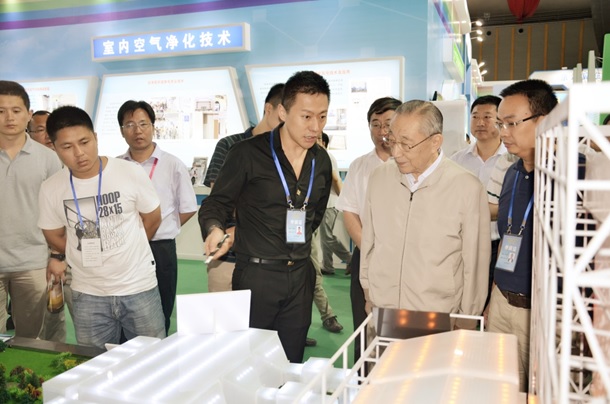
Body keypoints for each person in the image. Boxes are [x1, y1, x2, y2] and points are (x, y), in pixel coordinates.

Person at [199, 71, 332, 363]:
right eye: (306, 117)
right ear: (283, 112)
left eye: (322, 117)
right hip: (257, 277)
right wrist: (214, 228)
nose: (315, 127)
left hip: (301, 276)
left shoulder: (320, 160)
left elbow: (315, 215)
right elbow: (216, 203)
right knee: (251, 363)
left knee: (291, 361)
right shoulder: (246, 153)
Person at [38, 105, 165, 349]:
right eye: (67, 147)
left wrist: (129, 248)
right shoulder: (51, 188)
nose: (79, 153)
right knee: (94, 361)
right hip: (88, 292)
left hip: (138, 286)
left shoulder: (129, 172)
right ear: (54, 147)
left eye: (84, 142)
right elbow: (53, 234)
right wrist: (81, 252)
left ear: (95, 137)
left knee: (151, 356)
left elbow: (152, 218)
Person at [360, 100, 490, 327]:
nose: (396, 152)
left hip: (436, 312)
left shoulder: (466, 187)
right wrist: (369, 292)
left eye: (406, 144)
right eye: (392, 141)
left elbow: (475, 261)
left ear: (435, 142)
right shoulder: (379, 178)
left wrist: (467, 319)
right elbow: (369, 242)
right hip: (383, 308)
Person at [488, 79, 558, 392]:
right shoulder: (512, 173)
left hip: (546, 313)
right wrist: (494, 293)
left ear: (543, 122)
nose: (503, 133)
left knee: (541, 391)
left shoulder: (575, 174)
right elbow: (507, 237)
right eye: (500, 124)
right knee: (501, 388)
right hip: (503, 303)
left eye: (512, 123)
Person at [117, 100, 198, 334]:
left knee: (162, 305)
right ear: (122, 131)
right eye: (130, 125)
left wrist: (162, 226)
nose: (137, 130)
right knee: (125, 304)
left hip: (160, 247)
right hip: (125, 248)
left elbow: (188, 207)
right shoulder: (116, 166)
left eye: (143, 124)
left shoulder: (172, 164)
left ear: (153, 127)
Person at [335, 96, 401, 364]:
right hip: (366, 255)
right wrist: (369, 249)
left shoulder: (411, 163)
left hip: (405, 259)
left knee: (402, 328)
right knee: (365, 326)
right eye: (376, 124)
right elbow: (349, 211)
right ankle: (364, 379)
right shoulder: (360, 166)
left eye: (388, 124)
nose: (382, 131)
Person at [201, 83, 284, 293]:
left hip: (272, 258)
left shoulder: (288, 153)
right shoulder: (230, 145)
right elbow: (222, 201)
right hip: (228, 257)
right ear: (269, 108)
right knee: (223, 312)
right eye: (282, 115)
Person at [0, 81, 62, 340]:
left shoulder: (48, 158)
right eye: (1, 111)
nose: (9, 118)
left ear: (28, 114)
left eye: (16, 110)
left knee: (31, 339)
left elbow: (58, 211)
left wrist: (57, 255)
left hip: (34, 263)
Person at [450, 95, 506, 308]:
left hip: (496, 243)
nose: (480, 122)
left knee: (491, 302)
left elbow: (511, 209)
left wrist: (471, 210)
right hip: (461, 241)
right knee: (460, 297)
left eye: (487, 117)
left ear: (500, 120)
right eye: (475, 116)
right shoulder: (457, 160)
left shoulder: (511, 160)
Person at [25, 108, 71, 342]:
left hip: (69, 250)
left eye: (51, 130)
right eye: (41, 130)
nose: (48, 136)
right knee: (44, 313)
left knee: (64, 309)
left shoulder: (73, 165)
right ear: (30, 133)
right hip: (35, 252)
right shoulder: (26, 165)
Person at [305, 132, 345, 335]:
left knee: (312, 271)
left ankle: (327, 315)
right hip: (277, 231)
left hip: (304, 226)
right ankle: (298, 328)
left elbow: (334, 181)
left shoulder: (323, 158)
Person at [317, 133, 351, 276]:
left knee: (327, 237)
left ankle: (350, 259)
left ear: (324, 143)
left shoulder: (327, 157)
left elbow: (336, 179)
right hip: (324, 203)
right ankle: (328, 266)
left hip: (330, 203)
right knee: (325, 237)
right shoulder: (321, 156)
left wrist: (343, 198)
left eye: (318, 139)